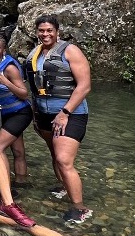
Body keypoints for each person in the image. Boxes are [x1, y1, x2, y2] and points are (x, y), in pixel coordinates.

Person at [25, 14, 92, 224]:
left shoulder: (70, 51)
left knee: (64, 160)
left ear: (57, 32)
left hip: (70, 114)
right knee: (54, 154)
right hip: (43, 115)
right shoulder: (34, 54)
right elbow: (34, 89)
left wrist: (65, 113)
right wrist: (35, 116)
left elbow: (84, 86)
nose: (45, 34)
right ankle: (64, 187)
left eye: (49, 30)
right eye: (41, 31)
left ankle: (80, 208)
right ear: (37, 33)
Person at [0, 35, 32, 185]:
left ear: (4, 50)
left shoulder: (9, 68)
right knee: (17, 151)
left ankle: (3, 185)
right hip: (3, 114)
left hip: (19, 113)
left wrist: (5, 81)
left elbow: (24, 93)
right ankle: (21, 182)